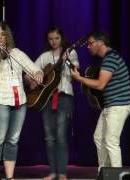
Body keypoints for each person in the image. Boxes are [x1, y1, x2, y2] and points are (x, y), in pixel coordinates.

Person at [0, 21, 44, 180]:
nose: (1, 38)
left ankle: (10, 177)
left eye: (3, 35)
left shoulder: (16, 53)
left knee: (13, 140)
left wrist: (38, 74)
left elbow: (34, 67)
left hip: (19, 101)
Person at [70, 32, 130, 171]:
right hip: (111, 105)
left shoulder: (110, 59)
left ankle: (116, 175)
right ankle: (104, 172)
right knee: (99, 137)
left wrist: (79, 78)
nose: (88, 46)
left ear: (101, 43)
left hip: (119, 105)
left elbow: (100, 84)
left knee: (111, 141)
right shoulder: (108, 58)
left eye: (91, 43)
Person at [27, 27, 79, 180]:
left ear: (61, 38)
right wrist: (34, 79)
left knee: (61, 136)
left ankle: (62, 173)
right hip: (47, 100)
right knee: (49, 138)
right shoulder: (44, 56)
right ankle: (53, 172)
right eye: (51, 39)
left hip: (64, 97)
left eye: (56, 38)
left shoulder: (70, 52)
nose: (54, 42)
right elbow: (28, 74)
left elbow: (76, 71)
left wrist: (68, 61)